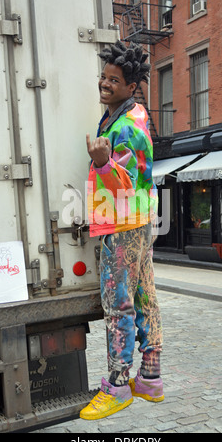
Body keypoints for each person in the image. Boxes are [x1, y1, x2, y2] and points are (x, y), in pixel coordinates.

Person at [80, 41, 163, 421]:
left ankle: (116, 386)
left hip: (124, 225)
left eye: (114, 80)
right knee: (144, 298)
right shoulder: (122, 115)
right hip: (137, 223)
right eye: (103, 77)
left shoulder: (128, 127)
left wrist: (102, 163)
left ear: (132, 87)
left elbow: (128, 184)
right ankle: (149, 378)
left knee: (120, 305)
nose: (105, 83)